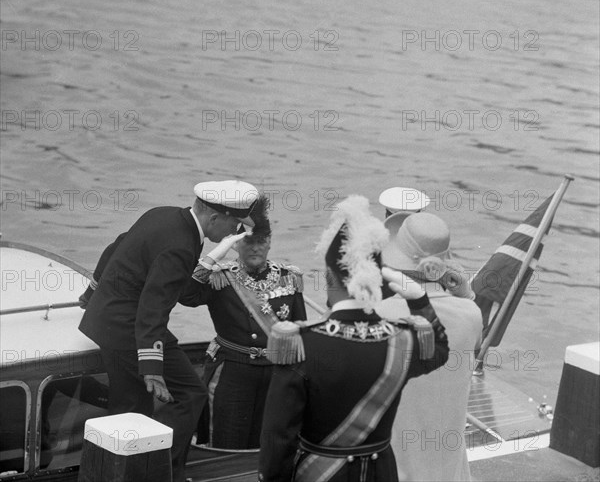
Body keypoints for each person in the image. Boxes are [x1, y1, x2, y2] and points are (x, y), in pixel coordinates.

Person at [258, 195, 449, 482]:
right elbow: (440, 351)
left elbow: (278, 439)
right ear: (377, 278)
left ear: (330, 277)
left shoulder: (302, 345)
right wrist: (420, 299)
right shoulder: (404, 339)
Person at [78, 179, 259, 482]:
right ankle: (159, 471)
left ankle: (123, 469)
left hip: (108, 321)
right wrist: (151, 366)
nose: (236, 234)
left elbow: (116, 246)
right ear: (214, 218)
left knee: (129, 407)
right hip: (129, 329)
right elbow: (154, 306)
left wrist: (91, 293)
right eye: (235, 225)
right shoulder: (181, 244)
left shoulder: (163, 215)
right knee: (189, 393)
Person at [179, 195, 306, 449]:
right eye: (248, 243)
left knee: (267, 446)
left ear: (269, 243)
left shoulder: (289, 278)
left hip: (274, 373)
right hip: (232, 374)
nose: (256, 249)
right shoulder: (221, 278)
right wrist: (215, 254)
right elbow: (186, 295)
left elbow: (299, 333)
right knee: (226, 444)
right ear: (236, 245)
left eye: (262, 242)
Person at [379, 211, 483, 482]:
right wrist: (467, 294)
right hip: (451, 471)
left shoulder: (381, 314)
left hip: (397, 469)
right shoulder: (471, 314)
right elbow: (477, 342)